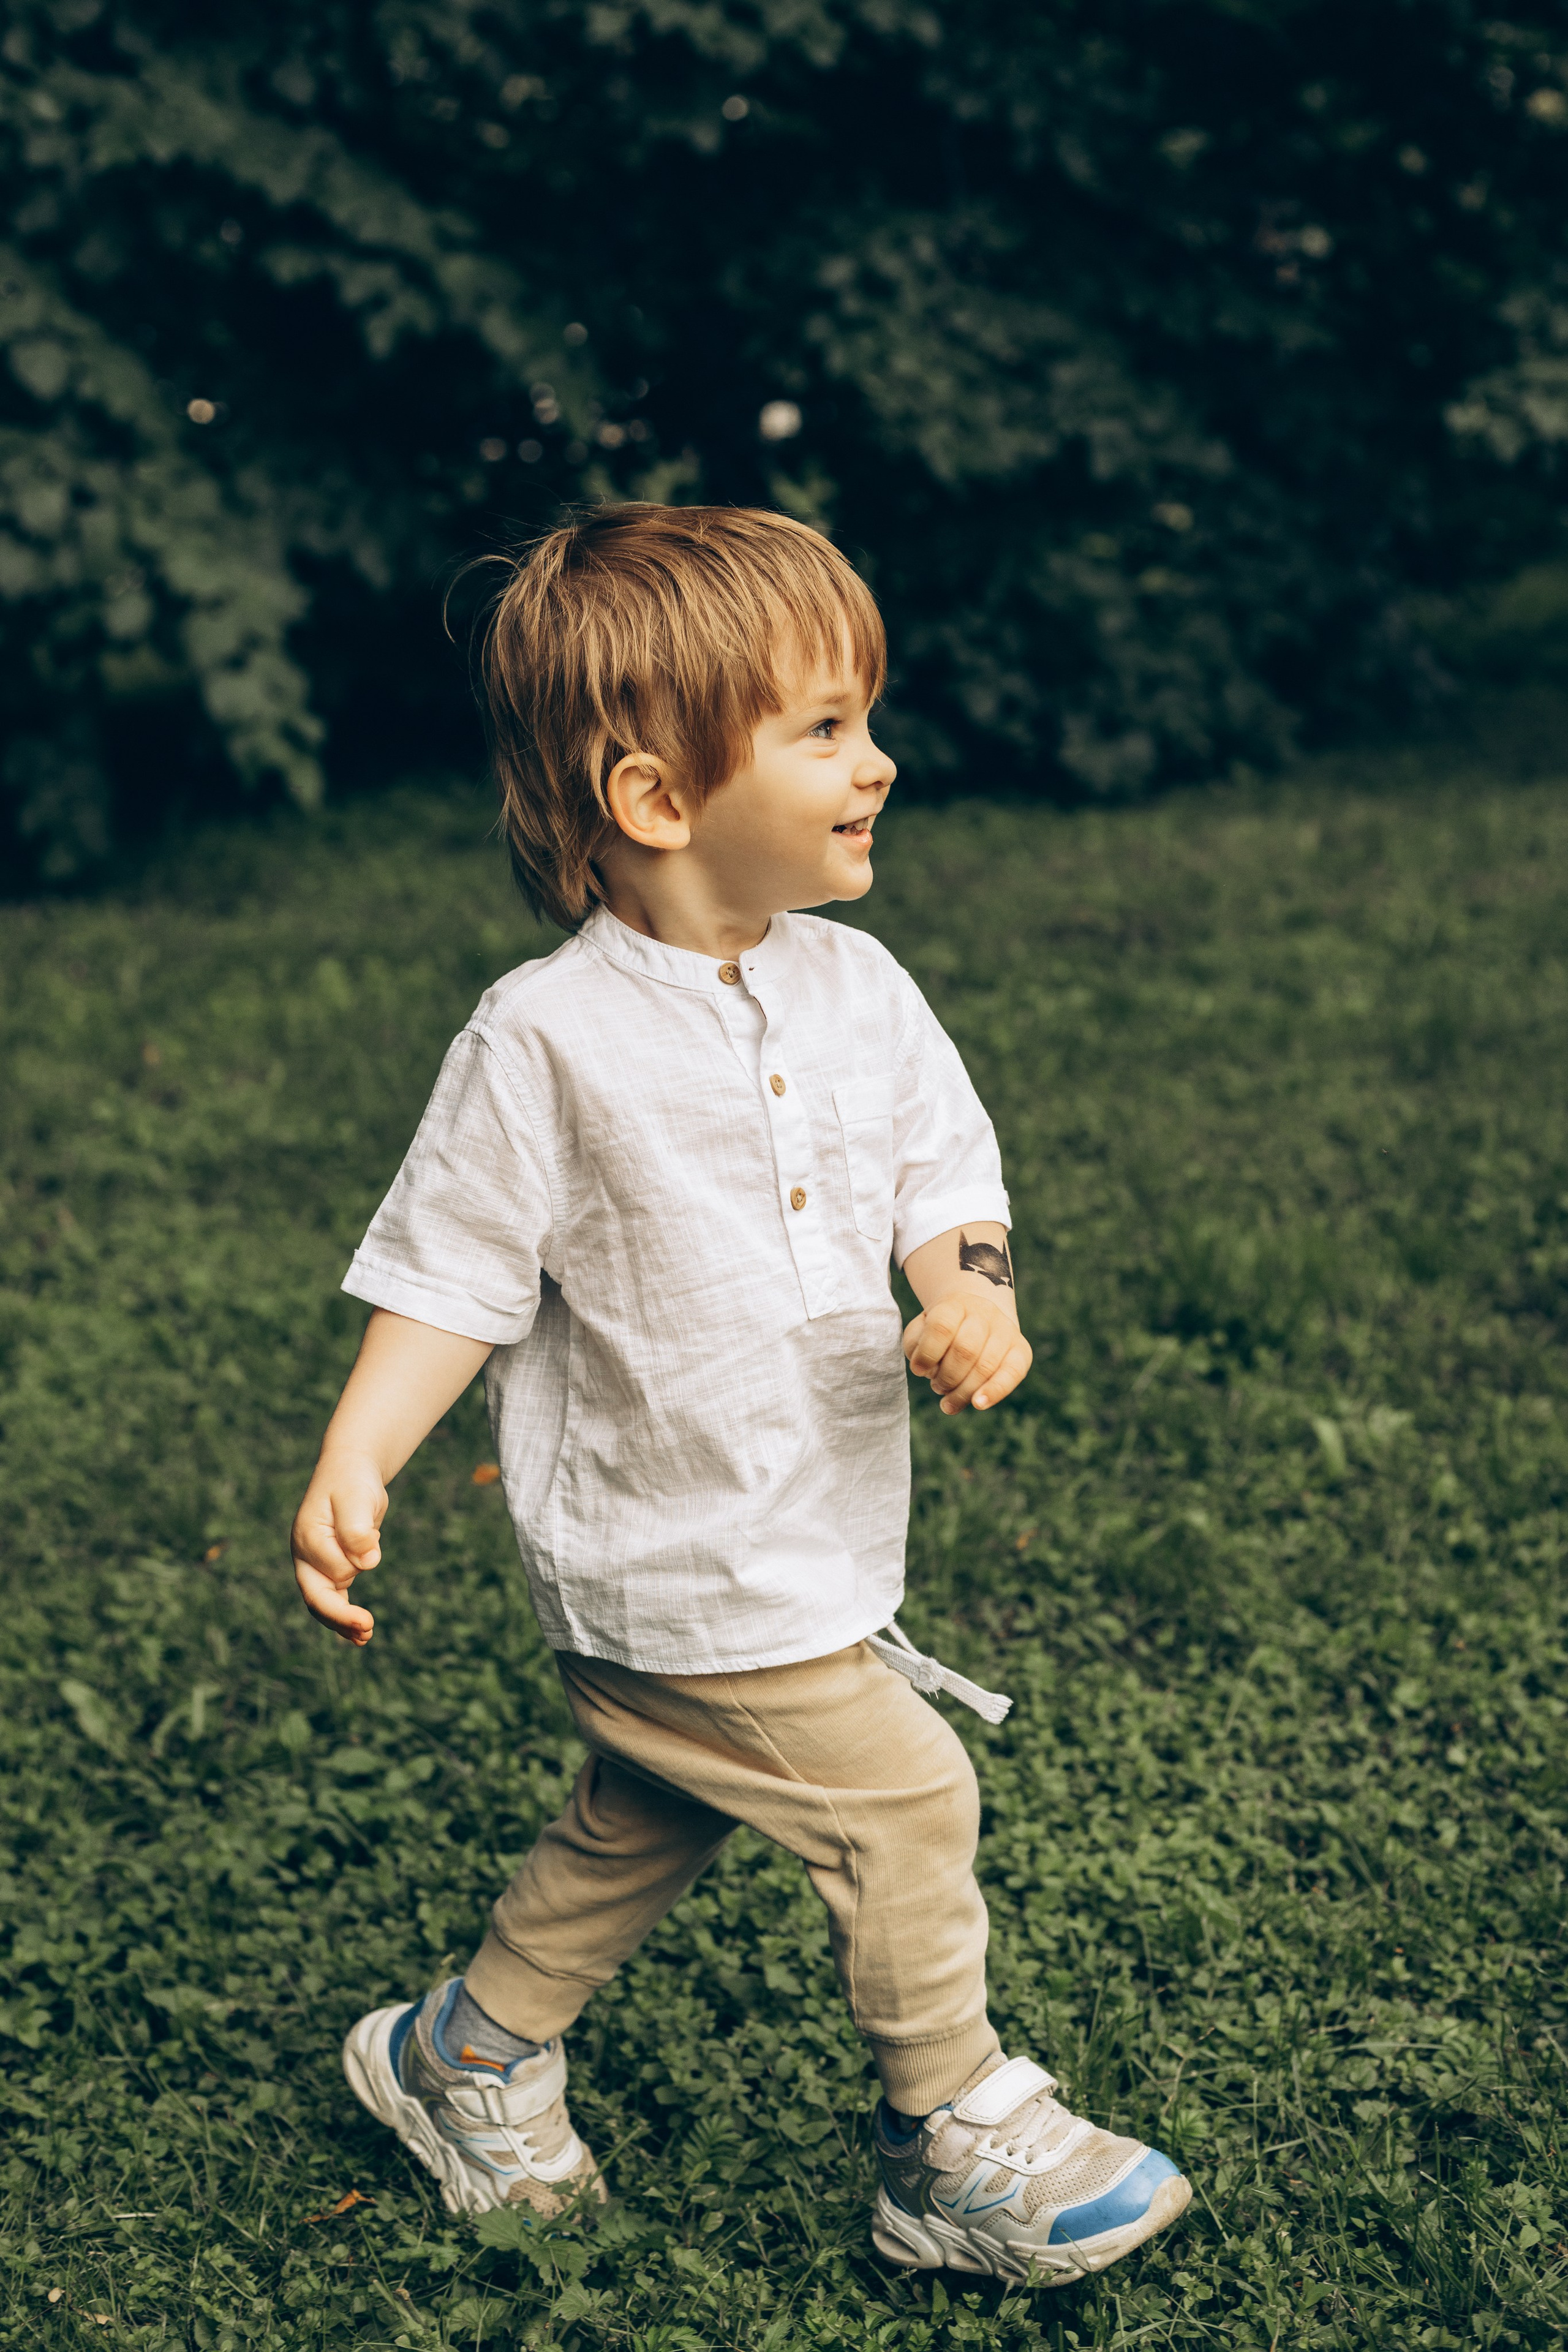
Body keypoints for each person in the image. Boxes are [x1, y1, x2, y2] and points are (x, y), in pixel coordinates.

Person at [289, 504, 1190, 2286]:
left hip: (808, 1530)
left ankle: (465, 2052)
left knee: (657, 1810)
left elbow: (947, 1176)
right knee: (905, 1795)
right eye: (826, 729)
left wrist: (973, 1291)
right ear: (654, 798)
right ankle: (953, 2138)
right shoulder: (545, 1039)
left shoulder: (858, 985)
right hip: (668, 1553)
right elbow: (455, 1272)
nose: (880, 762)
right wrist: (360, 1451)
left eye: (868, 719)